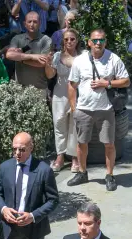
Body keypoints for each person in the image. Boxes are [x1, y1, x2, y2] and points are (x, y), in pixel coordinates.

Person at [67, 29, 129, 190]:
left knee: (109, 144)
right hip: (83, 109)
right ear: (89, 42)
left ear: (105, 42)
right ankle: (82, 172)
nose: (98, 43)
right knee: (81, 143)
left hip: (106, 109)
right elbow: (72, 85)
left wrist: (106, 84)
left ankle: (110, 175)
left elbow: (126, 81)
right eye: (95, 40)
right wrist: (74, 108)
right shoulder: (79, 61)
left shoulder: (113, 58)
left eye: (101, 40)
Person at [50, 29, 79, 174]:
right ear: (63, 41)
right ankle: (60, 156)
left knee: (74, 126)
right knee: (59, 124)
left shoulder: (83, 57)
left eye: (72, 39)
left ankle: (74, 157)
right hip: (59, 94)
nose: (69, 42)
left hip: (77, 95)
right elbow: (50, 75)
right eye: (66, 39)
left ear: (77, 41)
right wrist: (47, 63)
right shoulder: (56, 56)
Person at [5, 12, 52, 92]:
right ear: (24, 24)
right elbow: (9, 55)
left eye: (35, 21)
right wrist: (32, 56)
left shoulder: (46, 40)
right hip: (20, 88)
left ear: (40, 23)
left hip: (39, 88)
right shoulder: (17, 38)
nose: (32, 24)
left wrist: (20, 58)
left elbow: (42, 63)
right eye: (29, 21)